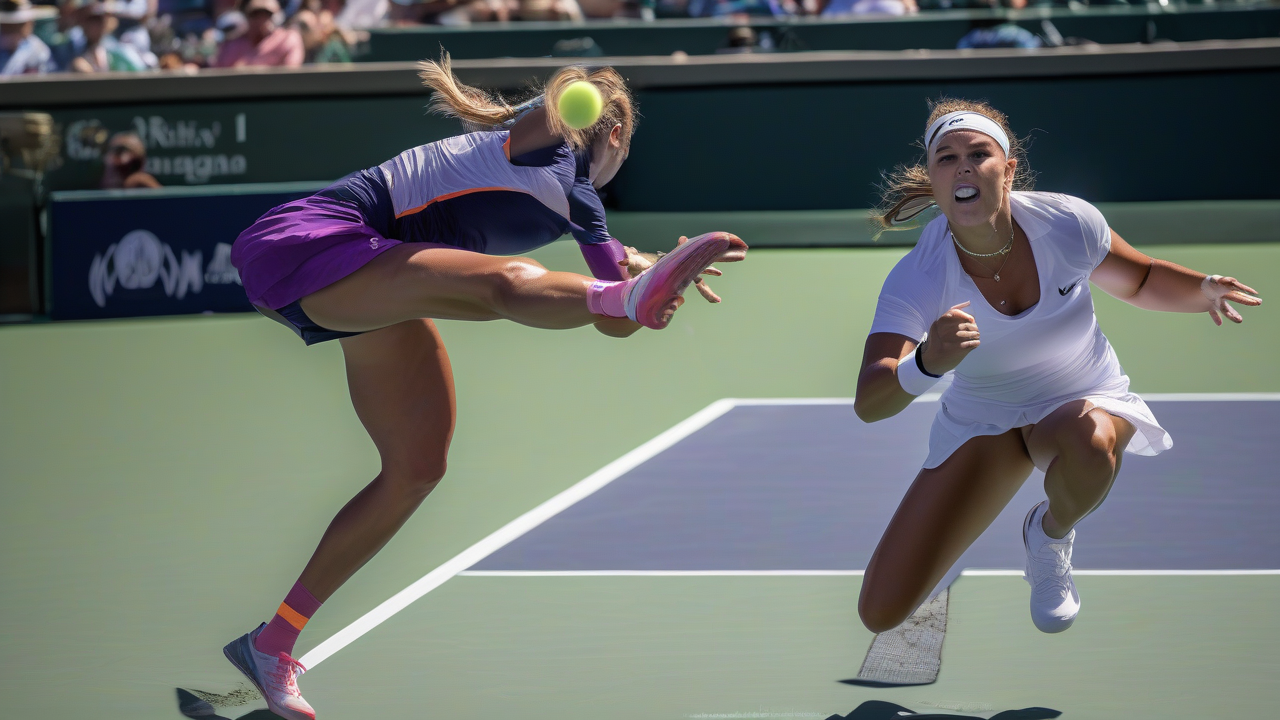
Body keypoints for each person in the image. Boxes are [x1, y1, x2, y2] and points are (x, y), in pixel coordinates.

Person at [222, 58, 747, 720]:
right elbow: (553, 128)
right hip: (308, 240)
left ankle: (272, 644)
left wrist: (648, 274)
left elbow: (616, 321)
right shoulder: (540, 143)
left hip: (369, 275)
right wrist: (578, 99)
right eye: (624, 143)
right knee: (507, 282)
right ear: (615, 132)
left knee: (416, 468)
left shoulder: (579, 204)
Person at [854, 99, 1260, 636]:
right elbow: (870, 401)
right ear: (933, 180)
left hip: (1080, 396)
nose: (965, 167)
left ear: (1009, 168)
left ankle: (1049, 534)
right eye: (947, 158)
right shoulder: (919, 276)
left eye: (980, 153)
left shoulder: (1068, 223)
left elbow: (1138, 280)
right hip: (985, 420)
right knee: (880, 612)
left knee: (1090, 444)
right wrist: (926, 363)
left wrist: (1200, 290)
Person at [212, 0, 302, 67]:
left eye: (267, 14)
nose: (261, 19)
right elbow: (218, 71)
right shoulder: (231, 44)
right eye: (255, 14)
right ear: (246, 17)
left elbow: (290, 71)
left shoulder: (287, 39)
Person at [0, 0, 56, 75]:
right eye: (5, 24)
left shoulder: (38, 51)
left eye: (16, 24)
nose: (8, 28)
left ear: (27, 23)